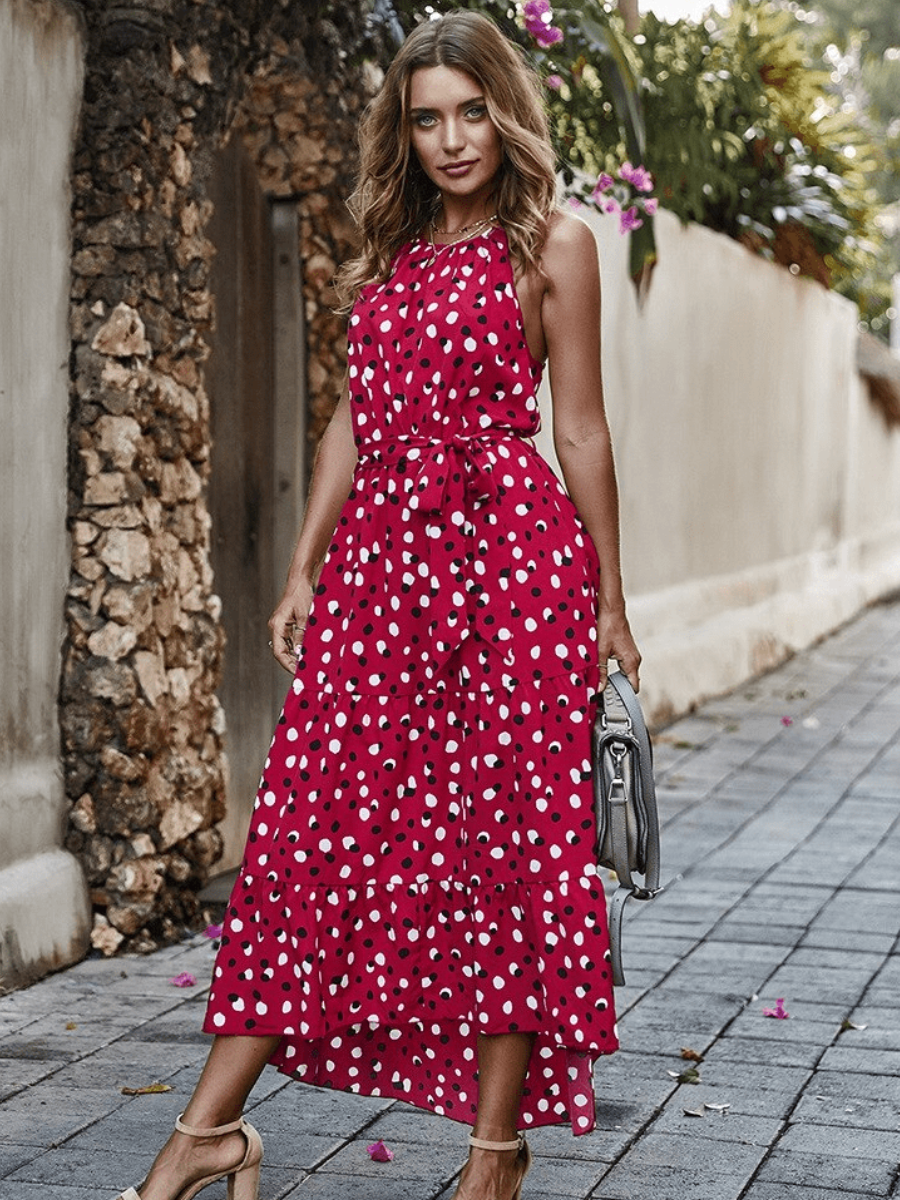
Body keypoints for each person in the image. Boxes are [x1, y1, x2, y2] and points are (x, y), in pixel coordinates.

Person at [114, 10, 640, 1200]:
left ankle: (493, 1158)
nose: (453, 140)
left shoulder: (554, 245)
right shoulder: (393, 252)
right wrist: (303, 564)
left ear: (504, 113)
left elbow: (583, 426)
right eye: (427, 117)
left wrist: (611, 599)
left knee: (507, 853)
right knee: (310, 843)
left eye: (470, 112)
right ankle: (207, 1131)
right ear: (403, 133)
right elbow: (358, 418)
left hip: (510, 568)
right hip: (382, 578)